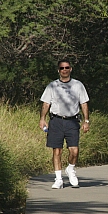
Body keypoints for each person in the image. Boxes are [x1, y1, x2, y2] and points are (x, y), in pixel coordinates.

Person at [39, 60, 90, 189]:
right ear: (58, 70)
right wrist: (42, 119)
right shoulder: (52, 86)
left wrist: (86, 121)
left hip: (72, 121)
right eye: (62, 68)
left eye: (67, 67)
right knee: (57, 151)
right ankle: (58, 179)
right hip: (56, 120)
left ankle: (71, 169)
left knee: (74, 150)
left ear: (70, 69)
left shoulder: (78, 85)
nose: (64, 70)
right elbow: (46, 103)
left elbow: (84, 103)